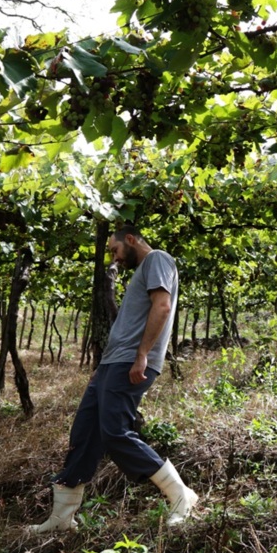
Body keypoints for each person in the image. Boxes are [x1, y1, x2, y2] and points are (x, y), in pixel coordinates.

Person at [28, 225, 198, 533]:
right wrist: (103, 365)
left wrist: (142, 354)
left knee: (115, 432)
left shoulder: (157, 259)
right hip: (113, 363)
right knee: (85, 432)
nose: (114, 258)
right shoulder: (142, 270)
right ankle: (61, 519)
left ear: (130, 240)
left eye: (115, 250)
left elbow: (162, 307)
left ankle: (180, 494)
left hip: (130, 362)